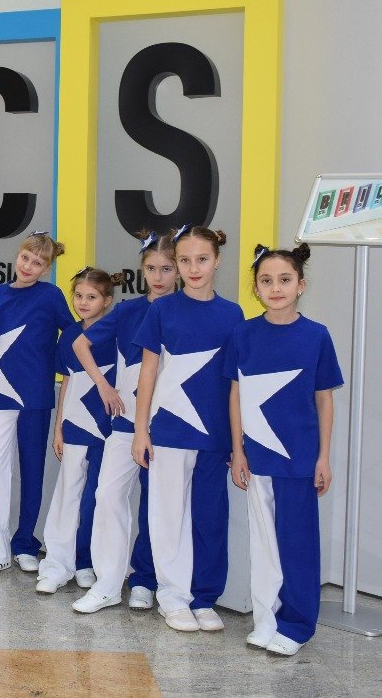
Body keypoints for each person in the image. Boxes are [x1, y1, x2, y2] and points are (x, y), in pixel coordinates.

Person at [227, 244, 342, 657]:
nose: (275, 288)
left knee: (297, 543)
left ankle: (297, 624)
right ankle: (266, 618)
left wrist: (323, 456)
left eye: (284, 280)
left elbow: (324, 398)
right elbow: (236, 394)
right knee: (263, 542)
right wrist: (238, 450)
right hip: (257, 456)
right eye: (266, 281)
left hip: (299, 458)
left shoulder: (317, 336)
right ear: (256, 289)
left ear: (301, 285)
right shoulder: (243, 334)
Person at [131, 224, 244, 632]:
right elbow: (148, 372)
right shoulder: (162, 310)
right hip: (169, 431)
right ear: (176, 264)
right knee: (167, 514)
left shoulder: (233, 314)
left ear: (217, 261)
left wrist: (237, 443)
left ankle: (204, 597)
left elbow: (236, 384)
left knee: (210, 517)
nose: (194, 268)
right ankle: (173, 595)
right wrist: (141, 430)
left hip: (214, 436)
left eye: (202, 259)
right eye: (185, 260)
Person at [72, 230, 177, 615]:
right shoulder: (128, 310)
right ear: (142, 269)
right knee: (107, 496)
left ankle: (145, 580)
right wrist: (103, 385)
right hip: (124, 421)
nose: (158, 277)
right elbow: (80, 344)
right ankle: (108, 583)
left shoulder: (184, 310)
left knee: (156, 504)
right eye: (151, 268)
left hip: (168, 425)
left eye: (166, 269)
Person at [0, 231, 74, 578]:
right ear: (18, 255)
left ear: (47, 268)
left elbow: (73, 334)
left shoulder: (51, 296)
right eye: (25, 258)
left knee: (32, 470)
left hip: (34, 397)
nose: (28, 266)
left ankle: (25, 543)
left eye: (37, 263)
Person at [35, 267, 121, 593]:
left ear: (107, 301)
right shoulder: (69, 334)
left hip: (108, 426)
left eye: (92, 297)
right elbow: (68, 381)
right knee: (67, 493)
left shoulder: (116, 333)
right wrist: (58, 428)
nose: (83, 302)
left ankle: (86, 562)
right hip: (74, 424)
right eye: (79, 296)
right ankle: (57, 564)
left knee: (96, 498)